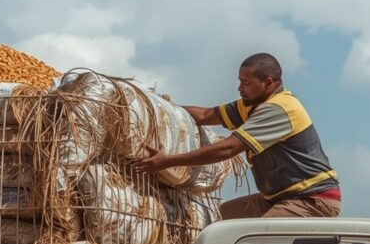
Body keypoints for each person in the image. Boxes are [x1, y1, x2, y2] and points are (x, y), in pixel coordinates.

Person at [130, 53, 340, 218]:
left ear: (268, 83)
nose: (239, 88)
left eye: (246, 83)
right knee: (220, 218)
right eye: (240, 81)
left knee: (254, 237)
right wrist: (158, 107)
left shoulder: (278, 108)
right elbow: (205, 115)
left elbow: (228, 148)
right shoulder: (252, 105)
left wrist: (168, 161)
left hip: (311, 199)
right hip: (278, 198)